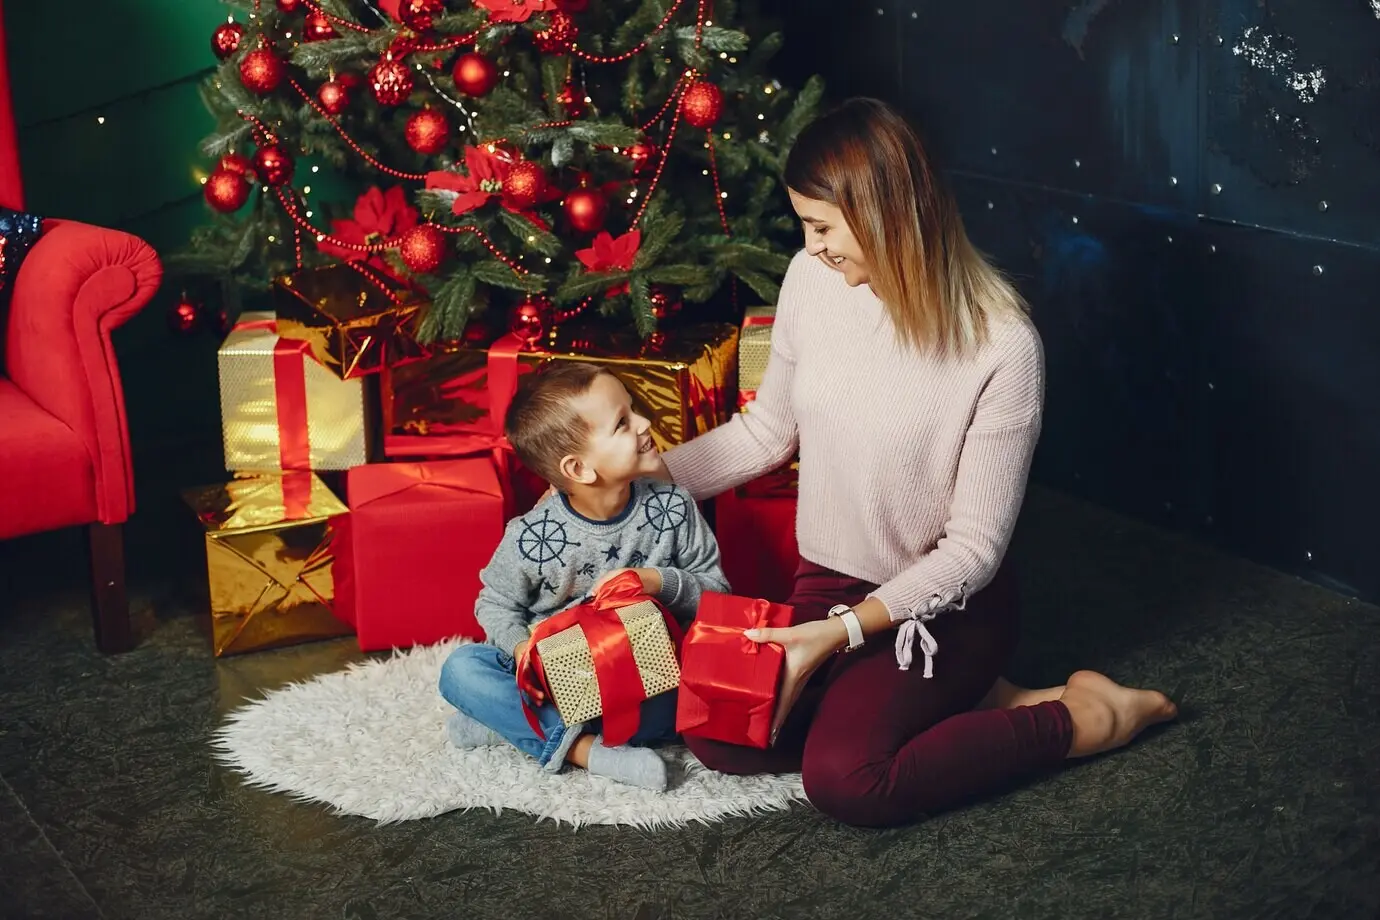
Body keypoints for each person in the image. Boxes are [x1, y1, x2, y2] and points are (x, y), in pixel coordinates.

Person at [653, 97, 1178, 826]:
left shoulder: (1002, 345)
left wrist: (835, 636)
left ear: (887, 213)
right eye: (807, 225)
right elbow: (767, 432)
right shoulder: (813, 281)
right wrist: (653, 478)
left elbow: (973, 551)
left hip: (942, 608)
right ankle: (971, 700)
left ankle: (1084, 718)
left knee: (848, 781)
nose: (811, 247)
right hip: (827, 582)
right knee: (719, 734)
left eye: (823, 226)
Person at [438, 363, 730, 792]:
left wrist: (656, 580)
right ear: (578, 469)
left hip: (646, 680)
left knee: (703, 700)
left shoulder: (672, 507)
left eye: (634, 410)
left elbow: (719, 592)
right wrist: (522, 650)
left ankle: (511, 726)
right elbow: (494, 603)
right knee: (461, 669)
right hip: (557, 682)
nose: (645, 424)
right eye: (623, 423)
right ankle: (586, 752)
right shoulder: (532, 537)